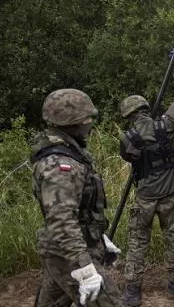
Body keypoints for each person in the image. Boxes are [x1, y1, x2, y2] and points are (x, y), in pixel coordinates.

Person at [31, 89, 123, 306]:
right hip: (69, 254)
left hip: (67, 248)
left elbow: (79, 209)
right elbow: (62, 222)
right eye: (87, 118)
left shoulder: (71, 153)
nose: (90, 123)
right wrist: (85, 269)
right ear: (73, 122)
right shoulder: (59, 165)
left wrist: (99, 238)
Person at [119, 50, 174, 305]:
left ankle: (132, 291)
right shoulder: (168, 124)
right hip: (169, 197)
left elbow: (130, 158)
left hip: (145, 199)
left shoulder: (127, 139)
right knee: (173, 239)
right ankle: (173, 286)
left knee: (138, 242)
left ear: (128, 115)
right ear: (146, 108)